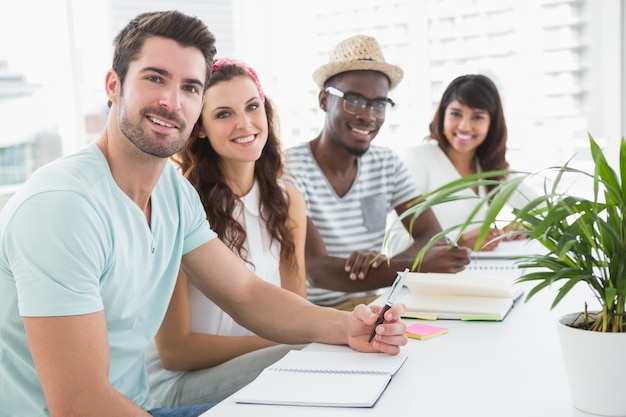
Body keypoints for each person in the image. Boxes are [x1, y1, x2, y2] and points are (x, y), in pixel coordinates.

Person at [0, 12, 407, 417]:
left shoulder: (172, 191)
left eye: (190, 87)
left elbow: (246, 294)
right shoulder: (63, 207)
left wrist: (348, 327)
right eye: (155, 78)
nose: (172, 101)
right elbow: (80, 404)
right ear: (113, 85)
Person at [143, 58, 307, 408]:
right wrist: (282, 340)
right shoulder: (179, 203)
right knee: (307, 354)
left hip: (267, 361)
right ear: (199, 127)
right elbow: (175, 351)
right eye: (223, 114)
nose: (244, 124)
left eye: (252, 107)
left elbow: (297, 308)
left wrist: (300, 335)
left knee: (314, 351)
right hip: (181, 383)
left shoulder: (288, 200)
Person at [283, 34, 470, 311]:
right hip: (315, 316)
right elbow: (316, 269)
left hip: (376, 305)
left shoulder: (386, 163)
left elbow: (432, 237)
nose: (369, 116)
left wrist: (389, 265)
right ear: (324, 100)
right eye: (354, 101)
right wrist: (413, 267)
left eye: (379, 104)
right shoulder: (290, 168)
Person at [386, 74, 533, 254]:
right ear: (442, 115)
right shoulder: (416, 160)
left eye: (477, 117)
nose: (464, 126)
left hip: (478, 277)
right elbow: (392, 245)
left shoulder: (492, 169)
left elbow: (546, 211)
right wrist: (457, 239)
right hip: (428, 281)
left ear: (492, 123)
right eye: (456, 114)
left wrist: (525, 227)